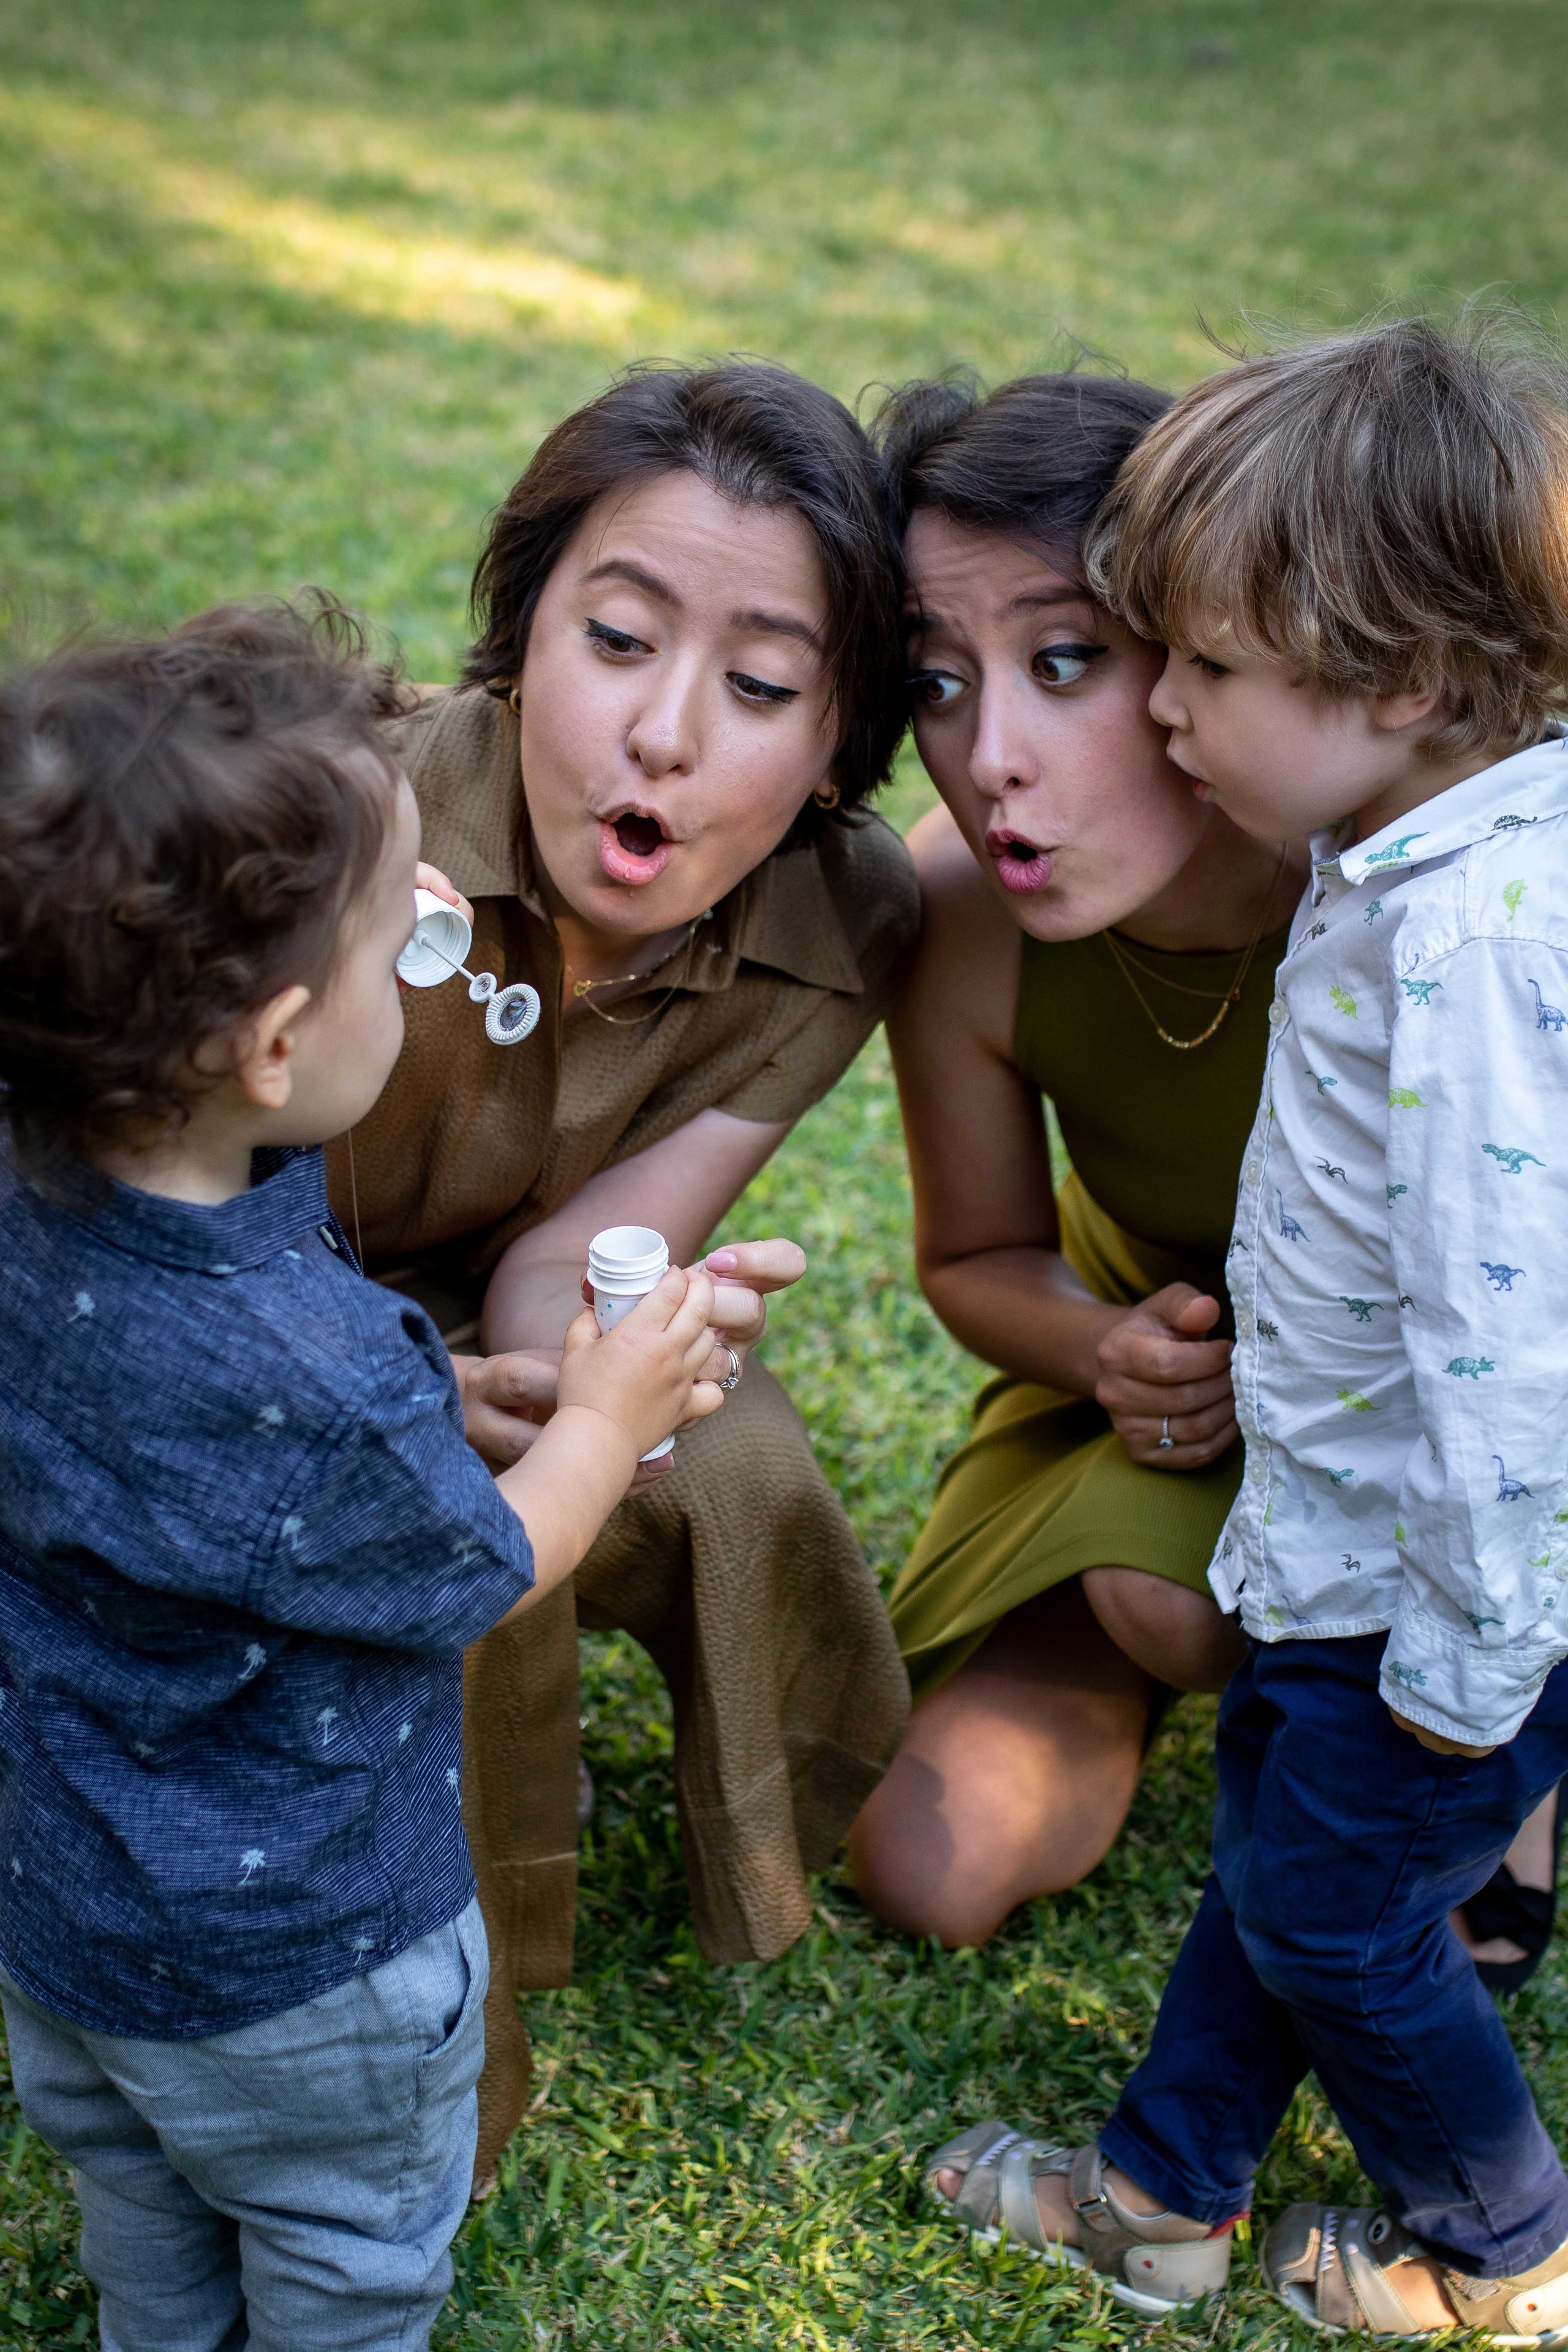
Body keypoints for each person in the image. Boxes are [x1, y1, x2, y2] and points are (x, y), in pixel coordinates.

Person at [925, 319, 1568, 2335]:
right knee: (1276, 1867)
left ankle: (1503, 2246)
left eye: (1194, 663)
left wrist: (1471, 1663)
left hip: (1432, 1587)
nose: (1173, 707)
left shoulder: (1471, 943)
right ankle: (1157, 2195)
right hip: (1332, 1534)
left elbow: (1508, 1339)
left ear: (1403, 683)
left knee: (1333, 1905)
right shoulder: (1395, 871)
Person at [0, 603, 725, 2348]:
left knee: (150, 2235)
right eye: (402, 921)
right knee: (345, 2262)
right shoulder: (311, 1392)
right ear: (268, 1047)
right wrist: (606, 1422)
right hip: (308, 1977)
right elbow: (490, 1560)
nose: (434, 940)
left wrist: (424, 1393)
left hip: (66, 1930)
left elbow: (198, 1473)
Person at [327, 361, 920, 2178]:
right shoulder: (345, 821)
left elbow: (596, 1235)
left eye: (755, 689)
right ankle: (432, 1896)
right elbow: (147, 1211)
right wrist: (388, 1388)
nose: (664, 732)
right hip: (222, 1300)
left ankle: (764, 1827)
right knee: (402, 1473)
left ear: (836, 740)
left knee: (708, 1446)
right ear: (522, 636)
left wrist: (597, 1351)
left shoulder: (846, 912)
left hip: (487, 1301)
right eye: (617, 640)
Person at [846, 368, 1295, 1950]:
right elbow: (971, 1258)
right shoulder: (959, 904)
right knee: (925, 1866)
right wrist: (1114, 1354)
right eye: (940, 682)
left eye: (1063, 662)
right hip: (1164, 1399)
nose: (990, 756)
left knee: (1179, 1606)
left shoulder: (1397, 882)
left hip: (1468, 1413)